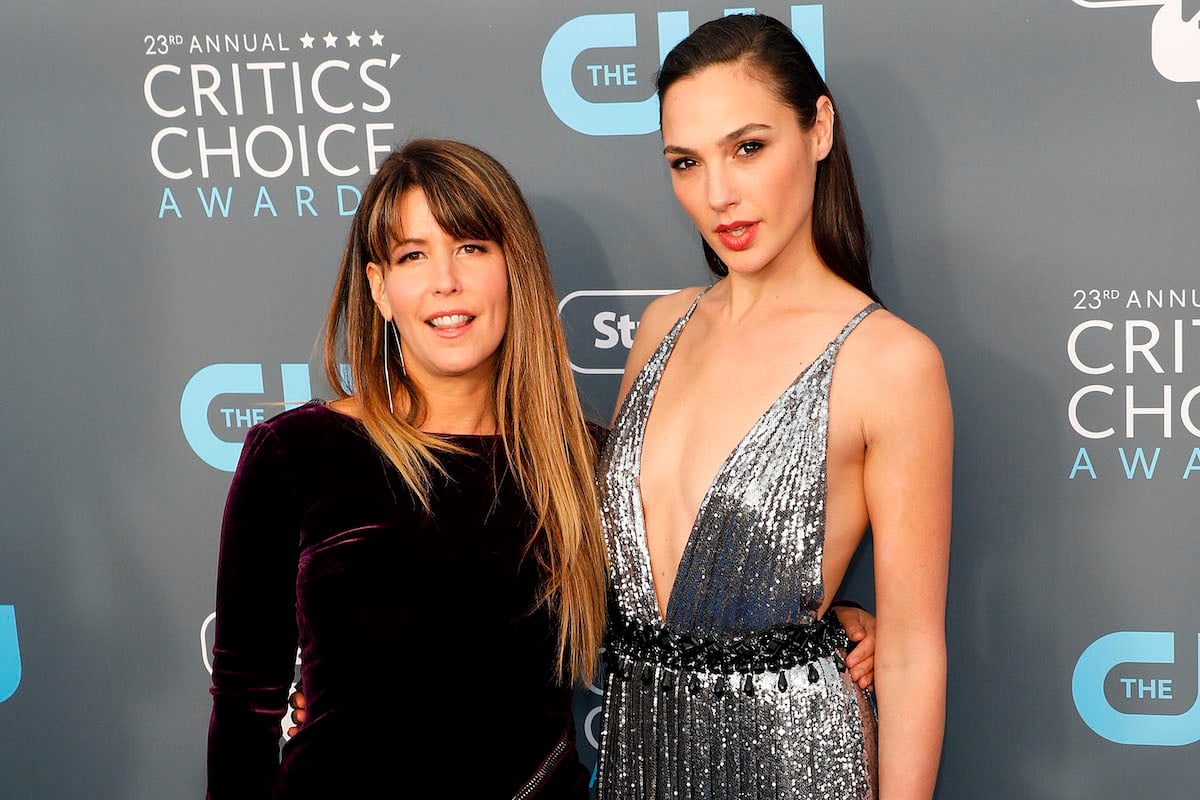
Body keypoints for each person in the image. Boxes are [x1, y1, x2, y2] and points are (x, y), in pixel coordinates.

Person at [596, 14, 952, 800]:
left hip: (793, 766)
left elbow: (913, 653)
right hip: (636, 758)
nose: (718, 194)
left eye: (748, 148)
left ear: (818, 128)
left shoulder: (890, 363)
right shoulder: (661, 327)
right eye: (685, 162)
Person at [206, 138, 608, 798]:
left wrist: (840, 620)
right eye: (413, 255)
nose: (445, 280)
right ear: (380, 288)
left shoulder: (583, 461)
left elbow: (681, 632)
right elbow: (245, 707)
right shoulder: (296, 453)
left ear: (515, 268)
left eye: (471, 247)